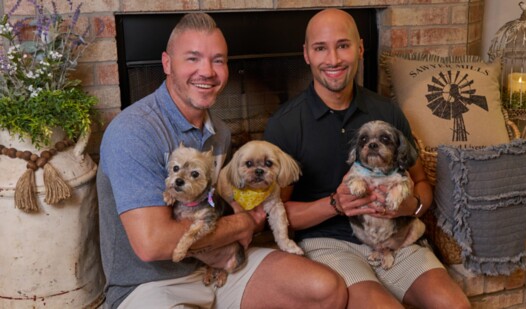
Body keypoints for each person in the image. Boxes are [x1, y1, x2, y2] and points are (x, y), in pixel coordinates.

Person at [97, 12, 347, 309]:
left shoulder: (220, 132)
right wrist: (242, 224)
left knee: (327, 290)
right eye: (193, 59)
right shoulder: (133, 130)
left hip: (216, 269)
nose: (207, 71)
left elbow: (214, 201)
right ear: (167, 63)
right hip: (150, 286)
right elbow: (153, 244)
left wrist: (245, 216)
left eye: (218, 60)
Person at [264, 8, 471, 309]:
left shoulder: (386, 113)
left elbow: (422, 182)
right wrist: (335, 204)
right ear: (307, 54)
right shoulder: (284, 125)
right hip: (329, 244)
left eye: (343, 45)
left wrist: (411, 206)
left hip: (396, 236)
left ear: (360, 48)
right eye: (321, 48)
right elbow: (274, 213)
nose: (333, 59)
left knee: (456, 306)